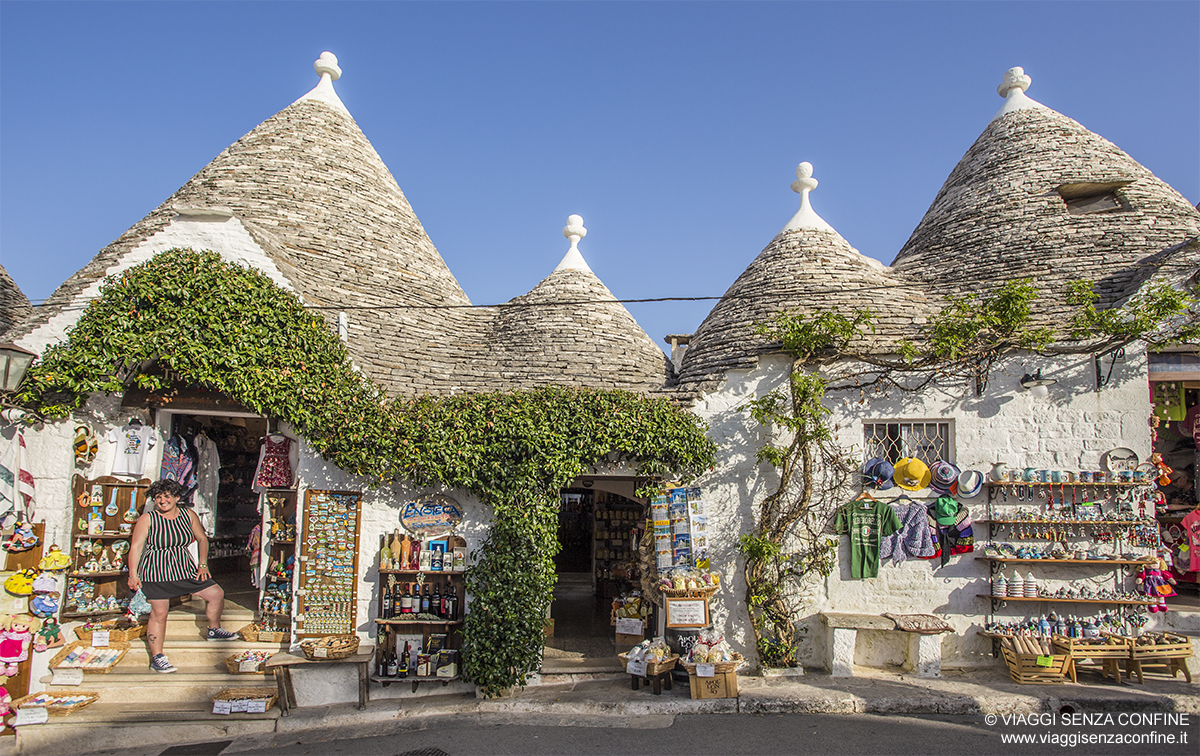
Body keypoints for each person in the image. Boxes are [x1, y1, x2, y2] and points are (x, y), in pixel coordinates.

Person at [128, 479, 237, 673]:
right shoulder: (148, 519)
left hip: (184, 568)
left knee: (215, 593)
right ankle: (158, 657)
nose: (162, 500)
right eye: (158, 497)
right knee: (159, 614)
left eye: (167, 496)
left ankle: (214, 629)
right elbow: (136, 547)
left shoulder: (188, 515)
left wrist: (203, 564)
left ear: (177, 497)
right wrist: (133, 574)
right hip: (156, 571)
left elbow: (202, 538)